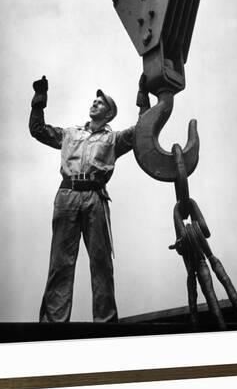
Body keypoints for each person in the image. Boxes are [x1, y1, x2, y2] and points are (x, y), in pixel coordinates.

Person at [29, 74, 150, 323]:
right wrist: (39, 99)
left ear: (109, 114)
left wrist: (143, 97)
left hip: (95, 198)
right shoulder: (70, 133)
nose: (95, 103)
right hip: (67, 195)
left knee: (101, 261)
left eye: (101, 102)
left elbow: (143, 130)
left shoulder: (114, 139)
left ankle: (105, 322)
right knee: (60, 262)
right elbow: (38, 130)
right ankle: (53, 324)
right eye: (94, 101)